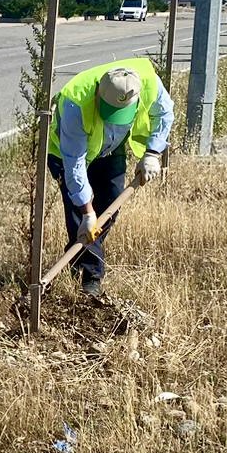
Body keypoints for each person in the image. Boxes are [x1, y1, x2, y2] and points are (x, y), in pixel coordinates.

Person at [47, 58, 173, 297]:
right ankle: (91, 279)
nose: (111, 118)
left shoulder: (148, 83)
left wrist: (153, 153)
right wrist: (86, 211)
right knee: (81, 218)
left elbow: (165, 114)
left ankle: (73, 260)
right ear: (97, 96)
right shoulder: (76, 103)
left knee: (109, 210)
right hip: (66, 154)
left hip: (110, 149)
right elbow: (74, 163)